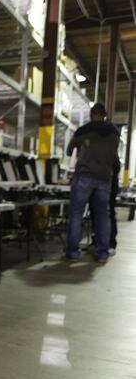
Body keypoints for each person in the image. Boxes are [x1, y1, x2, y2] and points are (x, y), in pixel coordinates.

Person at [66, 103, 120, 263]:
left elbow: (69, 150)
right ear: (105, 115)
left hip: (84, 176)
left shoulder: (83, 130)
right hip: (104, 178)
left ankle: (73, 253)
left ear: (91, 115)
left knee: (77, 214)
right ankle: (102, 254)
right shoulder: (114, 133)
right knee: (103, 216)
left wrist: (83, 146)